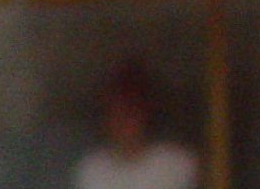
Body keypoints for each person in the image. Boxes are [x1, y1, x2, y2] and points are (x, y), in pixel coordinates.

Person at [74, 60, 197, 189]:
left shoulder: (178, 164)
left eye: (131, 112)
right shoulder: (90, 171)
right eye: (116, 113)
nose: (124, 121)